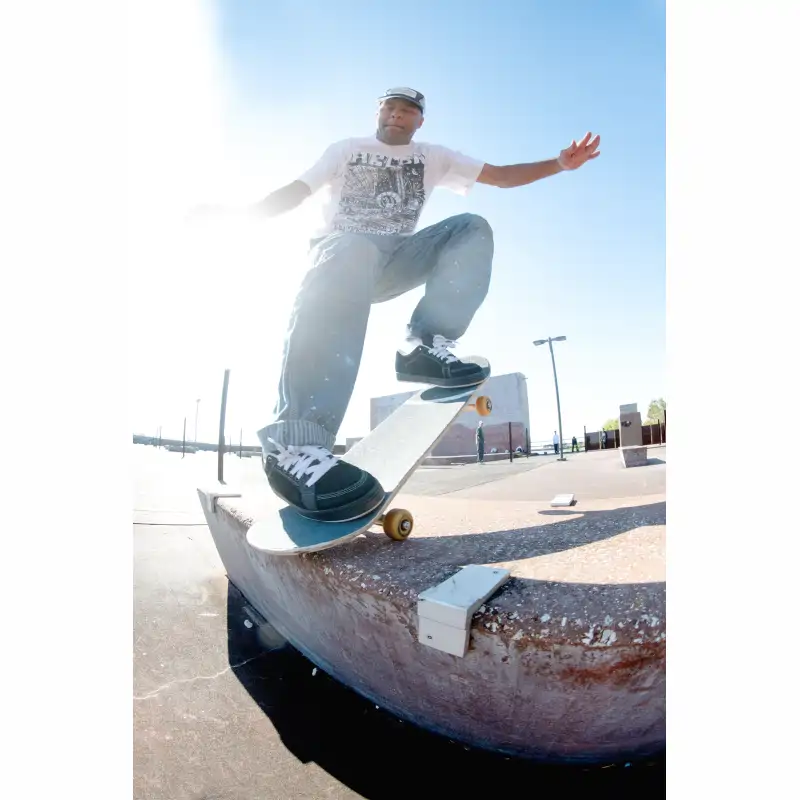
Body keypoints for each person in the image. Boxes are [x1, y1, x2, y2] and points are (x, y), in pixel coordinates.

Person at [201, 88, 600, 521]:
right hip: (339, 258)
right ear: (378, 112)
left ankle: (422, 346)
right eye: (389, 108)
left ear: (419, 120)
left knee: (471, 228)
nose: (396, 115)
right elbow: (298, 191)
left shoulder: (434, 156)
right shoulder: (346, 150)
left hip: (393, 260)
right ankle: (295, 446)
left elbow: (500, 176)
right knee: (352, 246)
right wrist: (242, 216)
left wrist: (559, 164)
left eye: (407, 110)